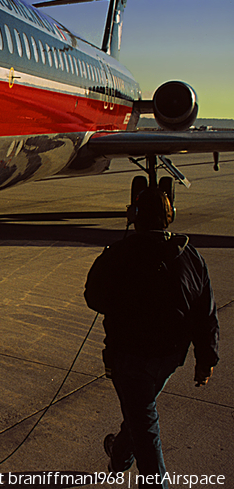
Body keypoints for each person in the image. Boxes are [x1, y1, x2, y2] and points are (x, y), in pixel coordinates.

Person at [84, 186, 219, 488]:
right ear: (169, 218)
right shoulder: (191, 256)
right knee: (140, 410)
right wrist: (206, 359)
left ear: (134, 217)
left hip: (130, 358)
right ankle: (119, 454)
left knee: (145, 426)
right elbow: (205, 313)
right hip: (170, 357)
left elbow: (93, 298)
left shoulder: (118, 254)